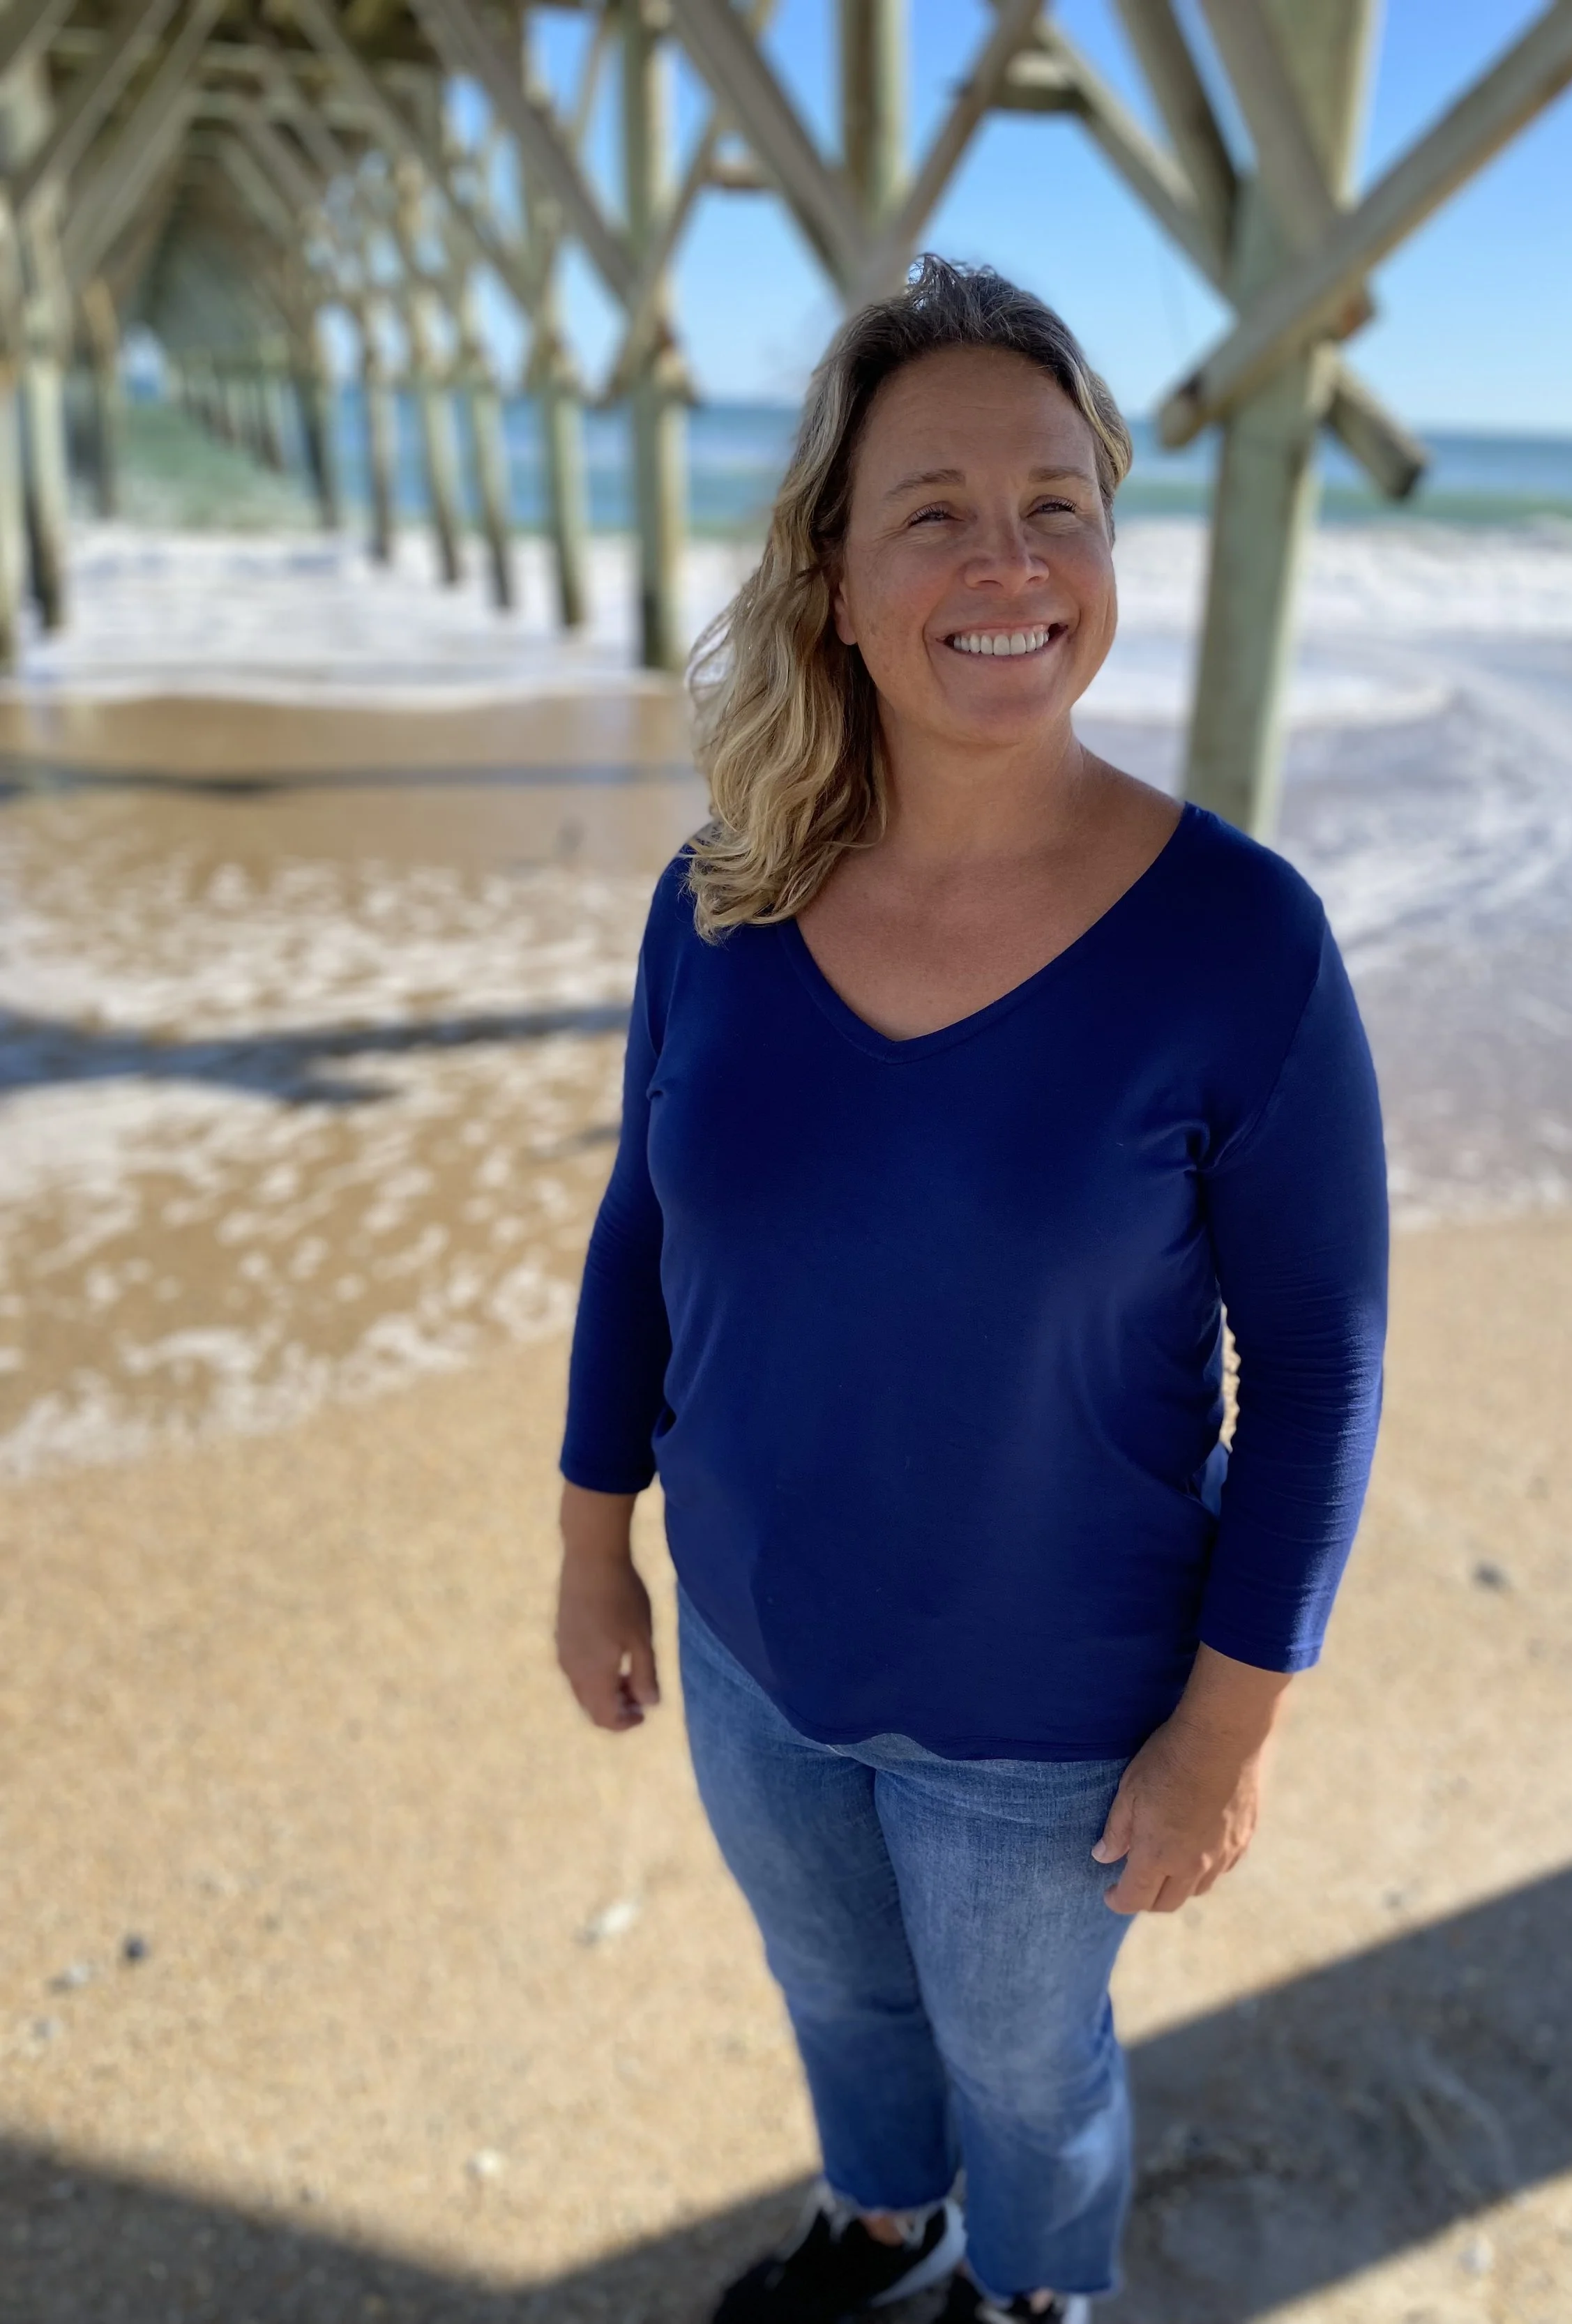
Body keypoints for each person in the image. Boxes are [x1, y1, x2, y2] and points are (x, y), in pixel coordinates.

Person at [554, 257, 1389, 2324]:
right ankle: (882, 2226)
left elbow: (1313, 1366)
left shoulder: (1240, 944)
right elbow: (638, 1233)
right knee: (834, 1987)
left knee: (1029, 2063)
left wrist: (1229, 1723)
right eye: (932, 508)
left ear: (1108, 545)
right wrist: (594, 1549)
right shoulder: (720, 892)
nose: (1004, 558)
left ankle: (1035, 2289)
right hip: (752, 1647)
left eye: (1056, 503)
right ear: (833, 577)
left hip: (1048, 1721)